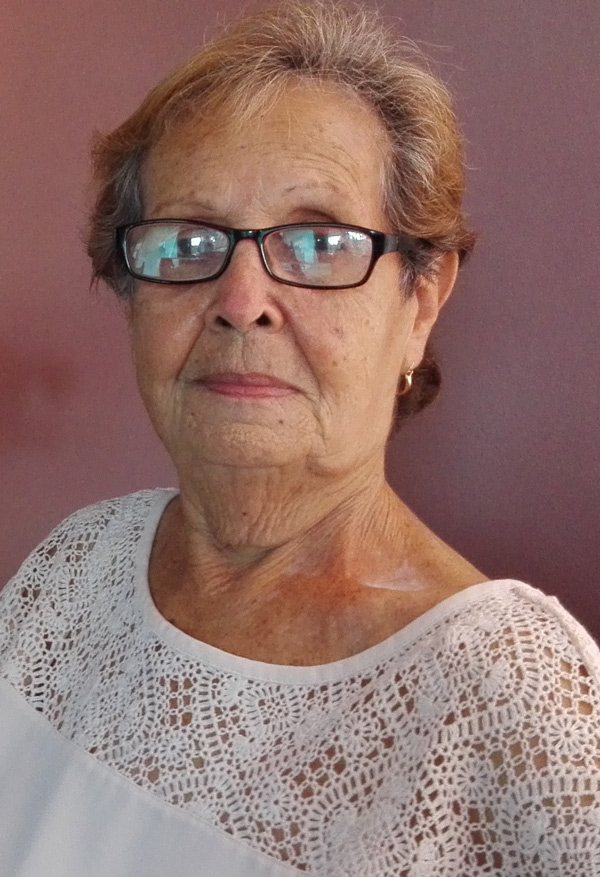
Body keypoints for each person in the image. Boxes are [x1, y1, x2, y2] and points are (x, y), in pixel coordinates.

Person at [1, 3, 599, 875]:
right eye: (188, 240)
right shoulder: (75, 571)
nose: (243, 301)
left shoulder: (509, 695)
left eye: (319, 241)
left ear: (421, 301)